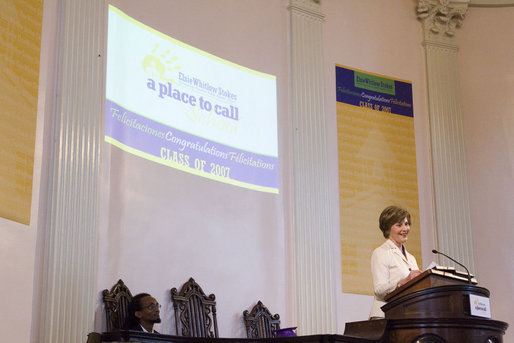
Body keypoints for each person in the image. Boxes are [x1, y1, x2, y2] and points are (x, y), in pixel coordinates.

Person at [369, 205, 422, 319]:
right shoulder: (381, 252)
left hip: (406, 315)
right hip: (385, 317)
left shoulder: (411, 258)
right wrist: (401, 283)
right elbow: (379, 290)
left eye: (406, 224)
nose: (405, 229)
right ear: (388, 229)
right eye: (399, 225)